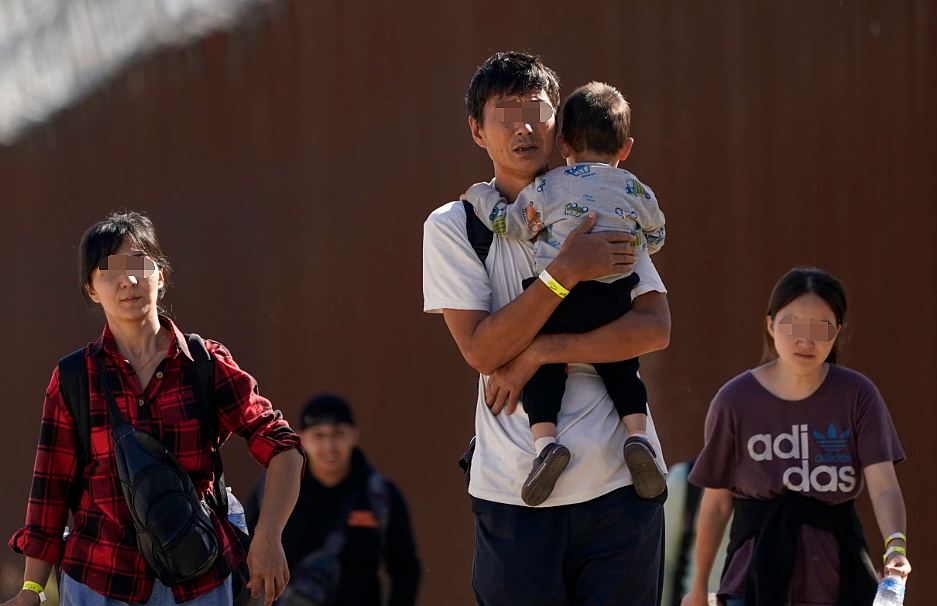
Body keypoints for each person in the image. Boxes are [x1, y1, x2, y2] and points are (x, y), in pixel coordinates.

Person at [422, 51, 671, 605]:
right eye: (504, 115)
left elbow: (654, 328)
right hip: (515, 496)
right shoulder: (454, 224)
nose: (523, 127)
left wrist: (543, 351)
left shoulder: (601, 203)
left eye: (536, 111)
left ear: (558, 124)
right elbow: (484, 351)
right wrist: (564, 272)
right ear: (476, 131)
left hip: (620, 493)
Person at [6, 212, 306, 606]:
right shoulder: (74, 377)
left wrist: (268, 537)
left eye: (137, 265)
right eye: (108, 271)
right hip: (101, 579)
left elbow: (283, 446)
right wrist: (32, 590)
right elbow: (50, 489)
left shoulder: (205, 363)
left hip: (198, 576)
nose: (127, 281)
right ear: (91, 291)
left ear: (160, 275)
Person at [461, 80, 667, 504]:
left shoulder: (549, 187)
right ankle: (638, 437)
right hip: (613, 298)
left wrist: (481, 198)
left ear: (563, 142)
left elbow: (510, 224)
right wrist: (639, 240)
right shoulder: (634, 191)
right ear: (625, 148)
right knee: (622, 367)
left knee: (544, 371)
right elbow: (658, 233)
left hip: (565, 305)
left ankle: (545, 444)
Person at [681, 268, 912, 606]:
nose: (806, 341)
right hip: (752, 581)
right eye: (792, 326)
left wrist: (897, 547)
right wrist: (699, 589)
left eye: (821, 328)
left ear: (837, 332)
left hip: (838, 577)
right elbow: (716, 503)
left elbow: (884, 484)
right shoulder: (734, 400)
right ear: (771, 325)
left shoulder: (858, 395)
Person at [244, 393, 421, 606]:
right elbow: (243, 556)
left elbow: (405, 569)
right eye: (319, 436)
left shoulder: (380, 496)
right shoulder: (274, 491)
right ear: (302, 439)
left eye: (338, 434)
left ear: (354, 435)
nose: (329, 446)